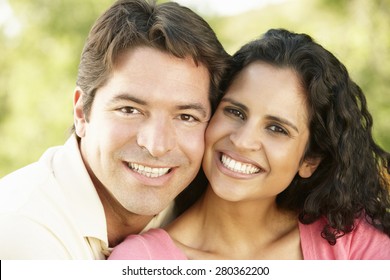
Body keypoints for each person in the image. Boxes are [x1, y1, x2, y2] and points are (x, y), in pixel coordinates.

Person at [109, 28, 390, 260]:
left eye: (277, 128)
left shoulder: (351, 241)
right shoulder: (140, 261)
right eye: (235, 112)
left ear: (310, 160)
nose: (242, 141)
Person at [0, 0, 230, 259]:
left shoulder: (201, 204)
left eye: (186, 116)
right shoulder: (22, 231)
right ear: (81, 113)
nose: (156, 145)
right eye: (130, 110)